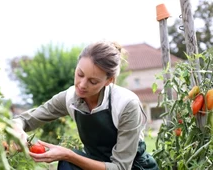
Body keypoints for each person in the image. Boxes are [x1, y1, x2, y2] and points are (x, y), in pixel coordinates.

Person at [12, 40, 159, 170]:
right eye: (80, 74)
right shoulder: (70, 98)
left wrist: (69, 155)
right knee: (68, 163)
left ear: (109, 81)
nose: (82, 85)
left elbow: (120, 167)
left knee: (69, 159)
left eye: (93, 81)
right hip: (96, 164)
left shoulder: (126, 104)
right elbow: (24, 119)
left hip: (133, 168)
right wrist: (18, 131)